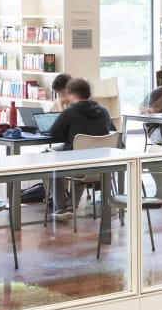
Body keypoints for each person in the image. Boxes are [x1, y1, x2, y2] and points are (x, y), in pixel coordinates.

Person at [47, 78, 117, 218]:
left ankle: (62, 207)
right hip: (102, 165)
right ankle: (70, 205)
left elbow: (53, 133)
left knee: (48, 161)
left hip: (78, 165)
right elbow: (113, 132)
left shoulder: (70, 112)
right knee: (82, 158)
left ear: (71, 94)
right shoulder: (104, 112)